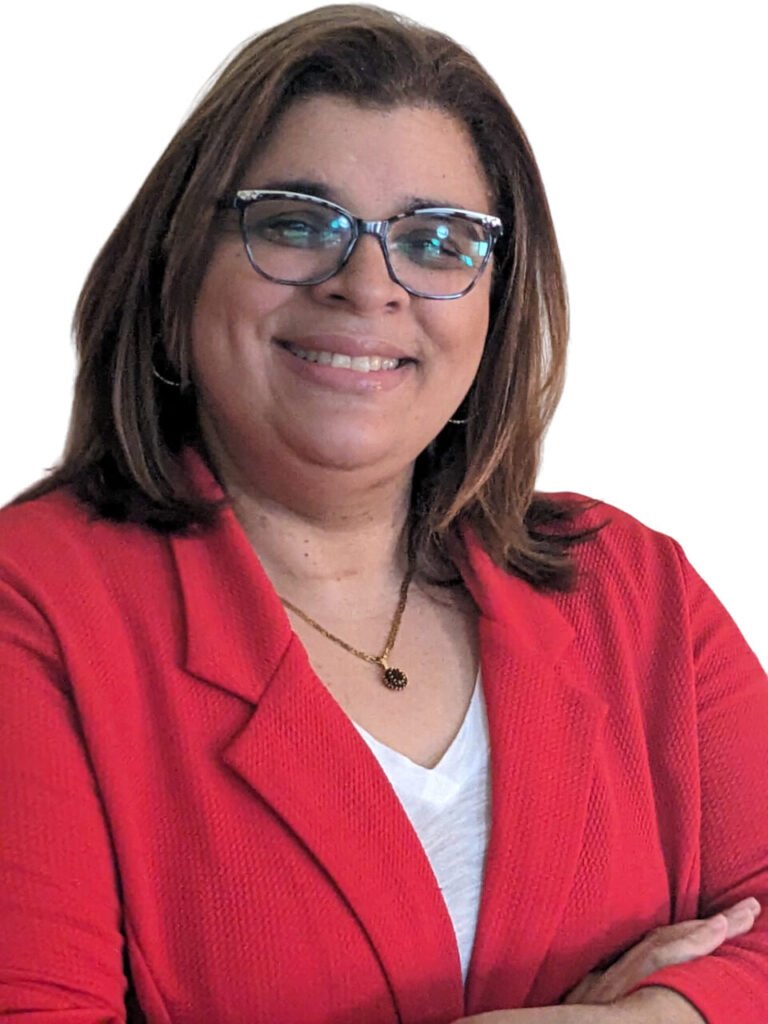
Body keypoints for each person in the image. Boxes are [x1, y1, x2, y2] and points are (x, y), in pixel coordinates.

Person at [0, 5, 765, 1023]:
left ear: (496, 302)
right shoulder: (36, 611)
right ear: (181, 262)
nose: (368, 285)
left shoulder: (631, 587)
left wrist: (656, 1014)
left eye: (438, 240)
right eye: (293, 222)